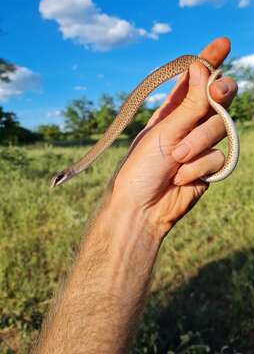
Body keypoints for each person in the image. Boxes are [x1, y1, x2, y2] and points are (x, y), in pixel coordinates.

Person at [32, 37, 238, 354]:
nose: (58, 182)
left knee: (203, 84)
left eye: (59, 179)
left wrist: (137, 214)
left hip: (193, 71)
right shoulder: (82, 165)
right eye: (59, 179)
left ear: (64, 174)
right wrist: (135, 212)